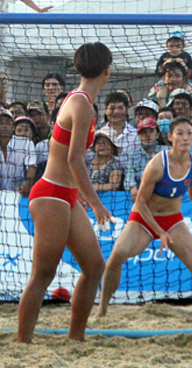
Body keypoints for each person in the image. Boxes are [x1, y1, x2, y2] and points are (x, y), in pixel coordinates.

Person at [96, 117, 192, 318]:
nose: (185, 138)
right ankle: (102, 309)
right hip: (144, 219)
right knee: (116, 256)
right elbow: (140, 203)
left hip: (173, 220)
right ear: (170, 137)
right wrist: (160, 232)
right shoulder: (157, 164)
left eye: (189, 133)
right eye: (180, 134)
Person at [18, 42, 113, 343]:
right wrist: (96, 202)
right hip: (51, 194)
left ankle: (76, 338)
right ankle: (22, 344)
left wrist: (80, 194)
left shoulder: (78, 99)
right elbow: (73, 159)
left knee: (95, 265)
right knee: (43, 274)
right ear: (107, 71)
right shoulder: (82, 104)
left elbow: (67, 159)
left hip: (65, 194)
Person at [86, 126, 123, 192]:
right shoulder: (87, 163)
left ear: (113, 147)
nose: (102, 145)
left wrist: (91, 188)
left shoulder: (116, 164)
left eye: (107, 143)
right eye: (99, 142)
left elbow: (114, 185)